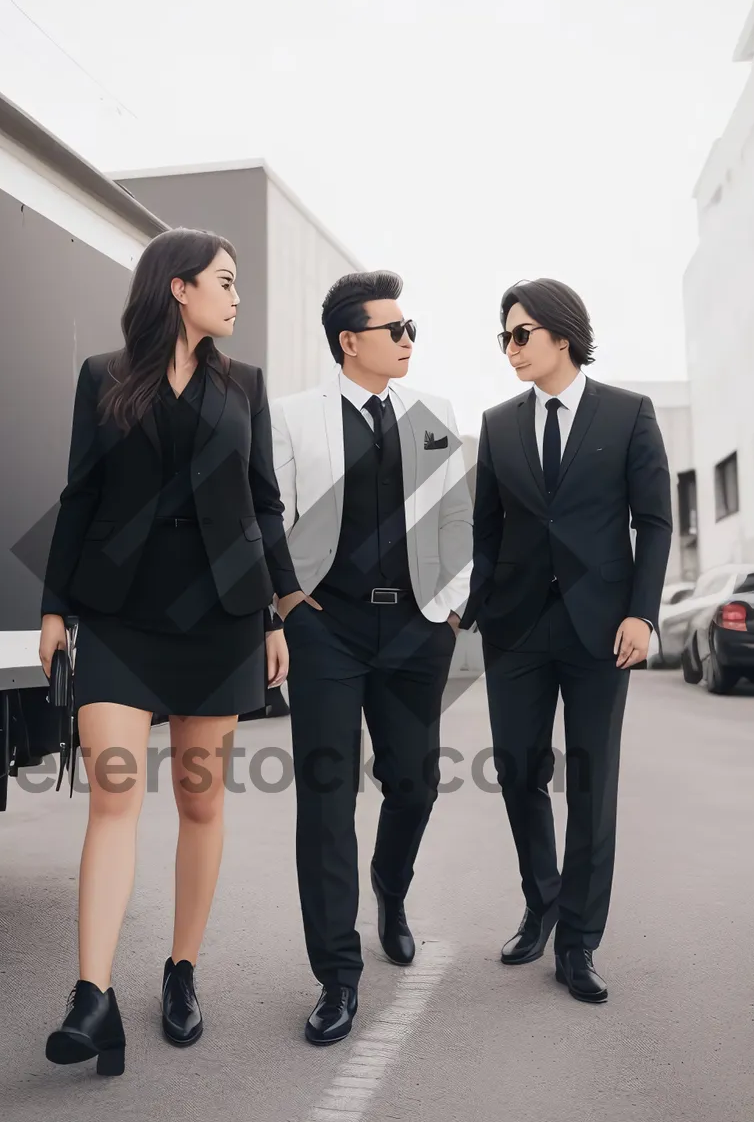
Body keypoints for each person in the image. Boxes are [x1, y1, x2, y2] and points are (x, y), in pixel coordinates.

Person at [37, 228, 298, 1074]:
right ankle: (91, 996)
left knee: (198, 804)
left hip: (220, 613)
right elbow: (79, 495)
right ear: (179, 288)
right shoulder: (103, 377)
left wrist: (277, 614)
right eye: (224, 281)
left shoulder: (246, 385)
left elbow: (264, 505)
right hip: (119, 613)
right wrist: (53, 609)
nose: (235, 296)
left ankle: (181, 971)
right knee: (112, 796)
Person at [271, 270, 472, 1044]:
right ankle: (337, 977)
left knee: (413, 785)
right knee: (326, 800)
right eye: (397, 329)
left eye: (412, 326)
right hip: (329, 629)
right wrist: (286, 605)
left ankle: (391, 887)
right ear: (351, 341)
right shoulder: (293, 418)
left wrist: (452, 608)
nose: (409, 339)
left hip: (418, 630)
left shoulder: (435, 416)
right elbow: (273, 517)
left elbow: (458, 514)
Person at [460, 278, 672, 1003]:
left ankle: (578, 942)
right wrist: (473, 602)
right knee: (518, 772)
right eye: (504, 337)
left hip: (600, 629)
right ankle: (542, 899)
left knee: (590, 782)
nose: (510, 349)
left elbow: (656, 521)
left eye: (520, 335)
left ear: (561, 335)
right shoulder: (497, 424)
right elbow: (487, 526)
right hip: (516, 629)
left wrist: (642, 614)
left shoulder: (629, 413)